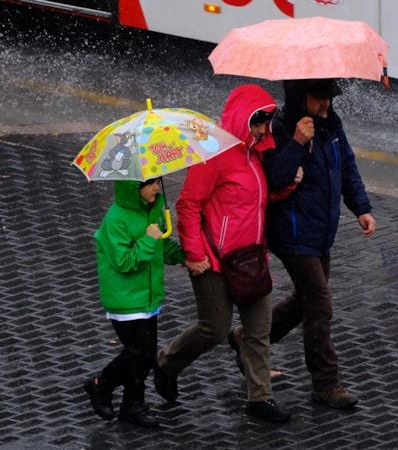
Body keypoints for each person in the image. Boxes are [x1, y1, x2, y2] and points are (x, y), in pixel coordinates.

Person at [227, 78, 376, 410]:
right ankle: (325, 384)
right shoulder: (281, 130)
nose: (325, 104)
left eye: (329, 98)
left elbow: (347, 168)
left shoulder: (332, 127)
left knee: (305, 300)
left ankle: (247, 338)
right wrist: (296, 142)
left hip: (320, 231)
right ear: (299, 96)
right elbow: (274, 179)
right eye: (318, 97)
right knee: (319, 304)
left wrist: (361, 208)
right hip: (292, 234)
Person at [154, 84, 291, 423]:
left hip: (251, 261)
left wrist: (288, 185)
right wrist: (195, 254)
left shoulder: (256, 154)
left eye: (265, 124)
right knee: (214, 329)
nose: (262, 130)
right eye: (257, 123)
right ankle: (166, 363)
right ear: (242, 119)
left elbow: (254, 200)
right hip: (214, 262)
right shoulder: (213, 154)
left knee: (259, 329)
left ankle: (260, 398)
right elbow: (188, 204)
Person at [83, 177, 186, 428]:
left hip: (148, 297)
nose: (155, 188)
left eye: (155, 183)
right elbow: (124, 261)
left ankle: (132, 405)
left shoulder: (154, 211)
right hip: (126, 301)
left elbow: (161, 248)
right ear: (133, 188)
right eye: (148, 184)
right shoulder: (116, 219)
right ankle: (101, 383)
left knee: (146, 354)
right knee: (139, 352)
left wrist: (186, 256)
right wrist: (149, 239)